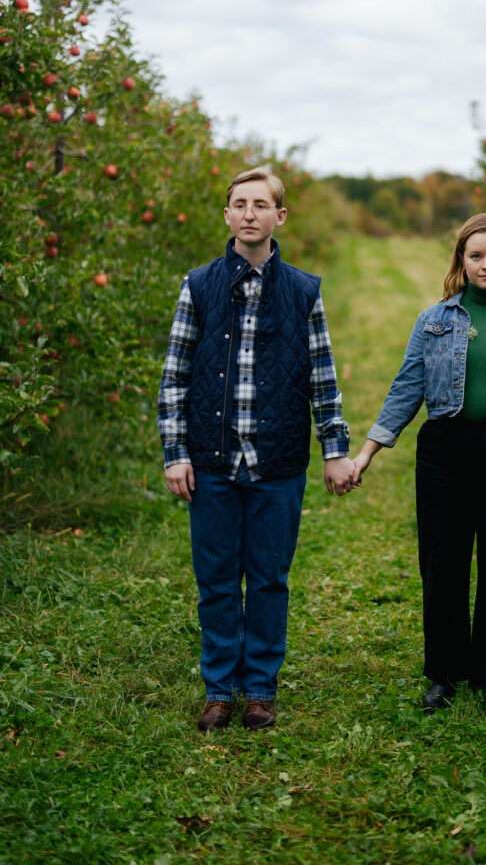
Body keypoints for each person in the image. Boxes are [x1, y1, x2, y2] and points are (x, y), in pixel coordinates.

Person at [158, 165, 356, 733]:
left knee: (269, 577)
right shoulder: (199, 286)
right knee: (217, 577)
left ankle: (260, 688)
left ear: (279, 216)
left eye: (261, 204)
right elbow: (174, 377)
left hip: (278, 461)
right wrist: (176, 452)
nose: (250, 213)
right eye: (239, 204)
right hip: (212, 461)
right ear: (227, 215)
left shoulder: (303, 290)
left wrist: (335, 448)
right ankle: (219, 687)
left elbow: (323, 376)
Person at [352, 213, 486, 722]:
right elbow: (407, 388)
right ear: (461, 261)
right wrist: (368, 451)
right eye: (476, 255)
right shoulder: (434, 321)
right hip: (445, 453)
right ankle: (444, 674)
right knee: (443, 565)